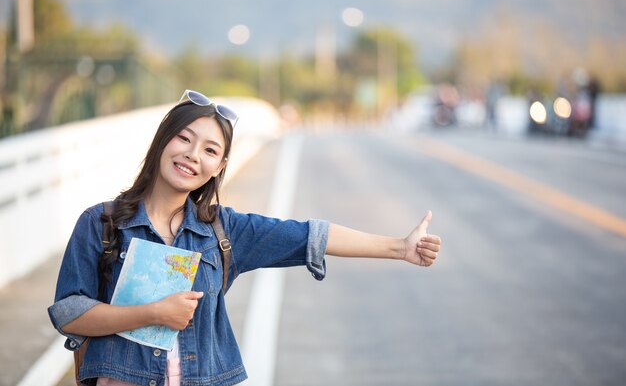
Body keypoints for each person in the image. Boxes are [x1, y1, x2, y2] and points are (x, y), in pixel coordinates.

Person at [48, 89, 442, 386]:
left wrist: (400, 248)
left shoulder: (223, 231)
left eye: (209, 150)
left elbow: (310, 236)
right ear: (162, 140)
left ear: (219, 165)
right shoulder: (102, 223)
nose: (192, 155)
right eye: (184, 139)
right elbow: (69, 312)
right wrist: (152, 314)